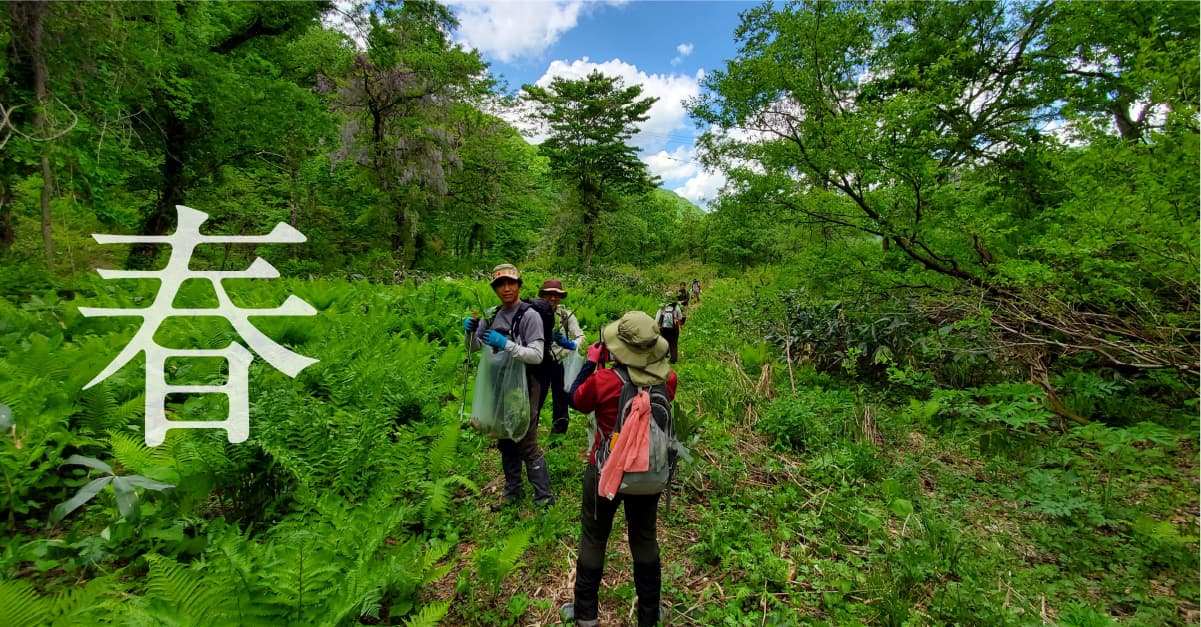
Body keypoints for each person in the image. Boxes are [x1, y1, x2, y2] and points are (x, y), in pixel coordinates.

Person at [562, 311, 678, 627]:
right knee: (644, 538)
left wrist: (591, 362)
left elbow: (575, 398)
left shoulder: (603, 380)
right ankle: (649, 616)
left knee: (593, 538)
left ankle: (586, 615)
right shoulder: (668, 379)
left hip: (604, 473)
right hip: (650, 475)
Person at [464, 263, 554, 507]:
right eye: (500, 284)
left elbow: (536, 355)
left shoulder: (530, 316)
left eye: (511, 283)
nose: (506, 288)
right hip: (498, 384)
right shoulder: (492, 315)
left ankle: (544, 499)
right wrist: (470, 333)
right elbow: (474, 348)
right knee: (504, 436)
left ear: (518, 285)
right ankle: (512, 492)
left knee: (525, 438)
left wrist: (505, 344)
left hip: (526, 383)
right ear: (495, 288)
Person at [537, 278, 586, 435]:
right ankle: (529, 434)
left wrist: (570, 344)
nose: (553, 298)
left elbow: (581, 337)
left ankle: (557, 437)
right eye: (549, 294)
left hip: (560, 362)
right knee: (535, 400)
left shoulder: (566, 315)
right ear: (543, 295)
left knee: (561, 401)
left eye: (556, 295)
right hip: (539, 362)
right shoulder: (535, 314)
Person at [654, 292, 685, 364]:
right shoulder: (676, 306)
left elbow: (657, 319)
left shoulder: (662, 306)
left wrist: (657, 327)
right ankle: (673, 359)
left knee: (664, 341)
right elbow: (680, 317)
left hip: (664, 329)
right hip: (674, 328)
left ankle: (664, 355)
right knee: (673, 343)